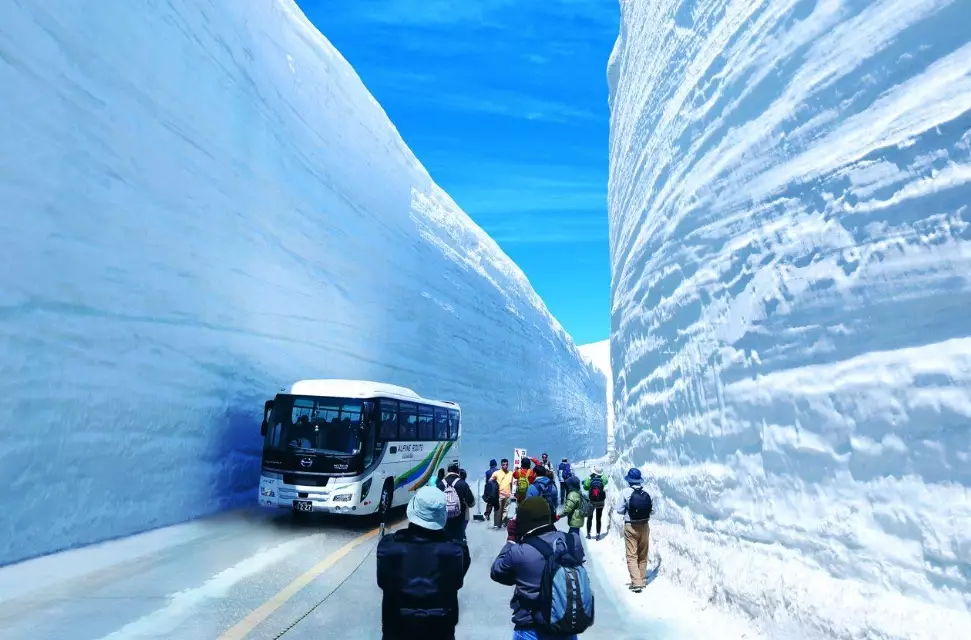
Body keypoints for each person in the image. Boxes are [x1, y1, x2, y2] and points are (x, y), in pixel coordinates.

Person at [376, 486, 471, 639]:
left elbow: (382, 582)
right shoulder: (456, 549)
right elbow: (456, 582)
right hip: (440, 628)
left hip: (397, 627)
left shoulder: (388, 546)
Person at [490, 497, 589, 639]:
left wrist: (511, 539)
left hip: (531, 629)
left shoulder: (519, 551)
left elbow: (498, 572)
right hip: (566, 626)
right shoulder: (572, 541)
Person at [615, 468, 653, 593]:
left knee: (631, 555)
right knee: (643, 554)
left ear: (629, 480)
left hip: (630, 525)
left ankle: (636, 583)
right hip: (644, 525)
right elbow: (652, 510)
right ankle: (641, 580)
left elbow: (619, 509)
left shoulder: (625, 492)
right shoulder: (647, 492)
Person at [443, 462, 475, 541]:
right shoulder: (463, 484)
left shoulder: (440, 484)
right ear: (457, 472)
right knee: (459, 539)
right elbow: (471, 503)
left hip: (444, 518)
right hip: (460, 518)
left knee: (446, 538)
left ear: (448, 471)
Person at [582, 465, 609, 540]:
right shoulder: (603, 477)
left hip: (592, 501)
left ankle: (589, 534)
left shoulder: (589, 478)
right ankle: (598, 535)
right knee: (598, 518)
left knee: (590, 518)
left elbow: (585, 487)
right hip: (601, 501)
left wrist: (585, 484)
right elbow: (606, 483)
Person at [490, 458, 514, 529]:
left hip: (508, 494)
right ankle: (497, 525)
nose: (505, 466)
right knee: (498, 510)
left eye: (506, 464)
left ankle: (503, 524)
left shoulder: (511, 473)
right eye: (503, 464)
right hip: (499, 494)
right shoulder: (497, 473)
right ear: (501, 465)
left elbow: (512, 484)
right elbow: (490, 481)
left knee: (506, 510)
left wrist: (512, 493)